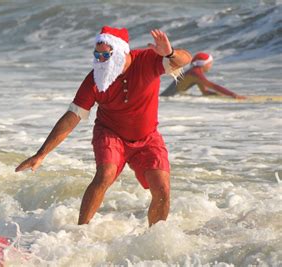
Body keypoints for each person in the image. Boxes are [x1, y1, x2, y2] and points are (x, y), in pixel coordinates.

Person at [15, 26, 192, 227]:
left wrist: (169, 53)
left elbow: (185, 59)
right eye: (97, 55)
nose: (100, 60)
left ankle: (155, 238)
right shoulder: (96, 78)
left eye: (105, 55)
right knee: (105, 174)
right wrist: (41, 154)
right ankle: (80, 231)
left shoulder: (147, 60)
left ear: (120, 52)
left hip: (147, 137)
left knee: (162, 188)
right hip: (110, 134)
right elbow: (72, 116)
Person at [160, 52, 245, 99]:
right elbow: (213, 86)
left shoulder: (195, 73)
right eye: (210, 63)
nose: (211, 65)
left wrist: (220, 96)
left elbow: (205, 92)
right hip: (166, 98)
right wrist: (233, 95)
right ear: (204, 64)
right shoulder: (195, 73)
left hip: (167, 99)